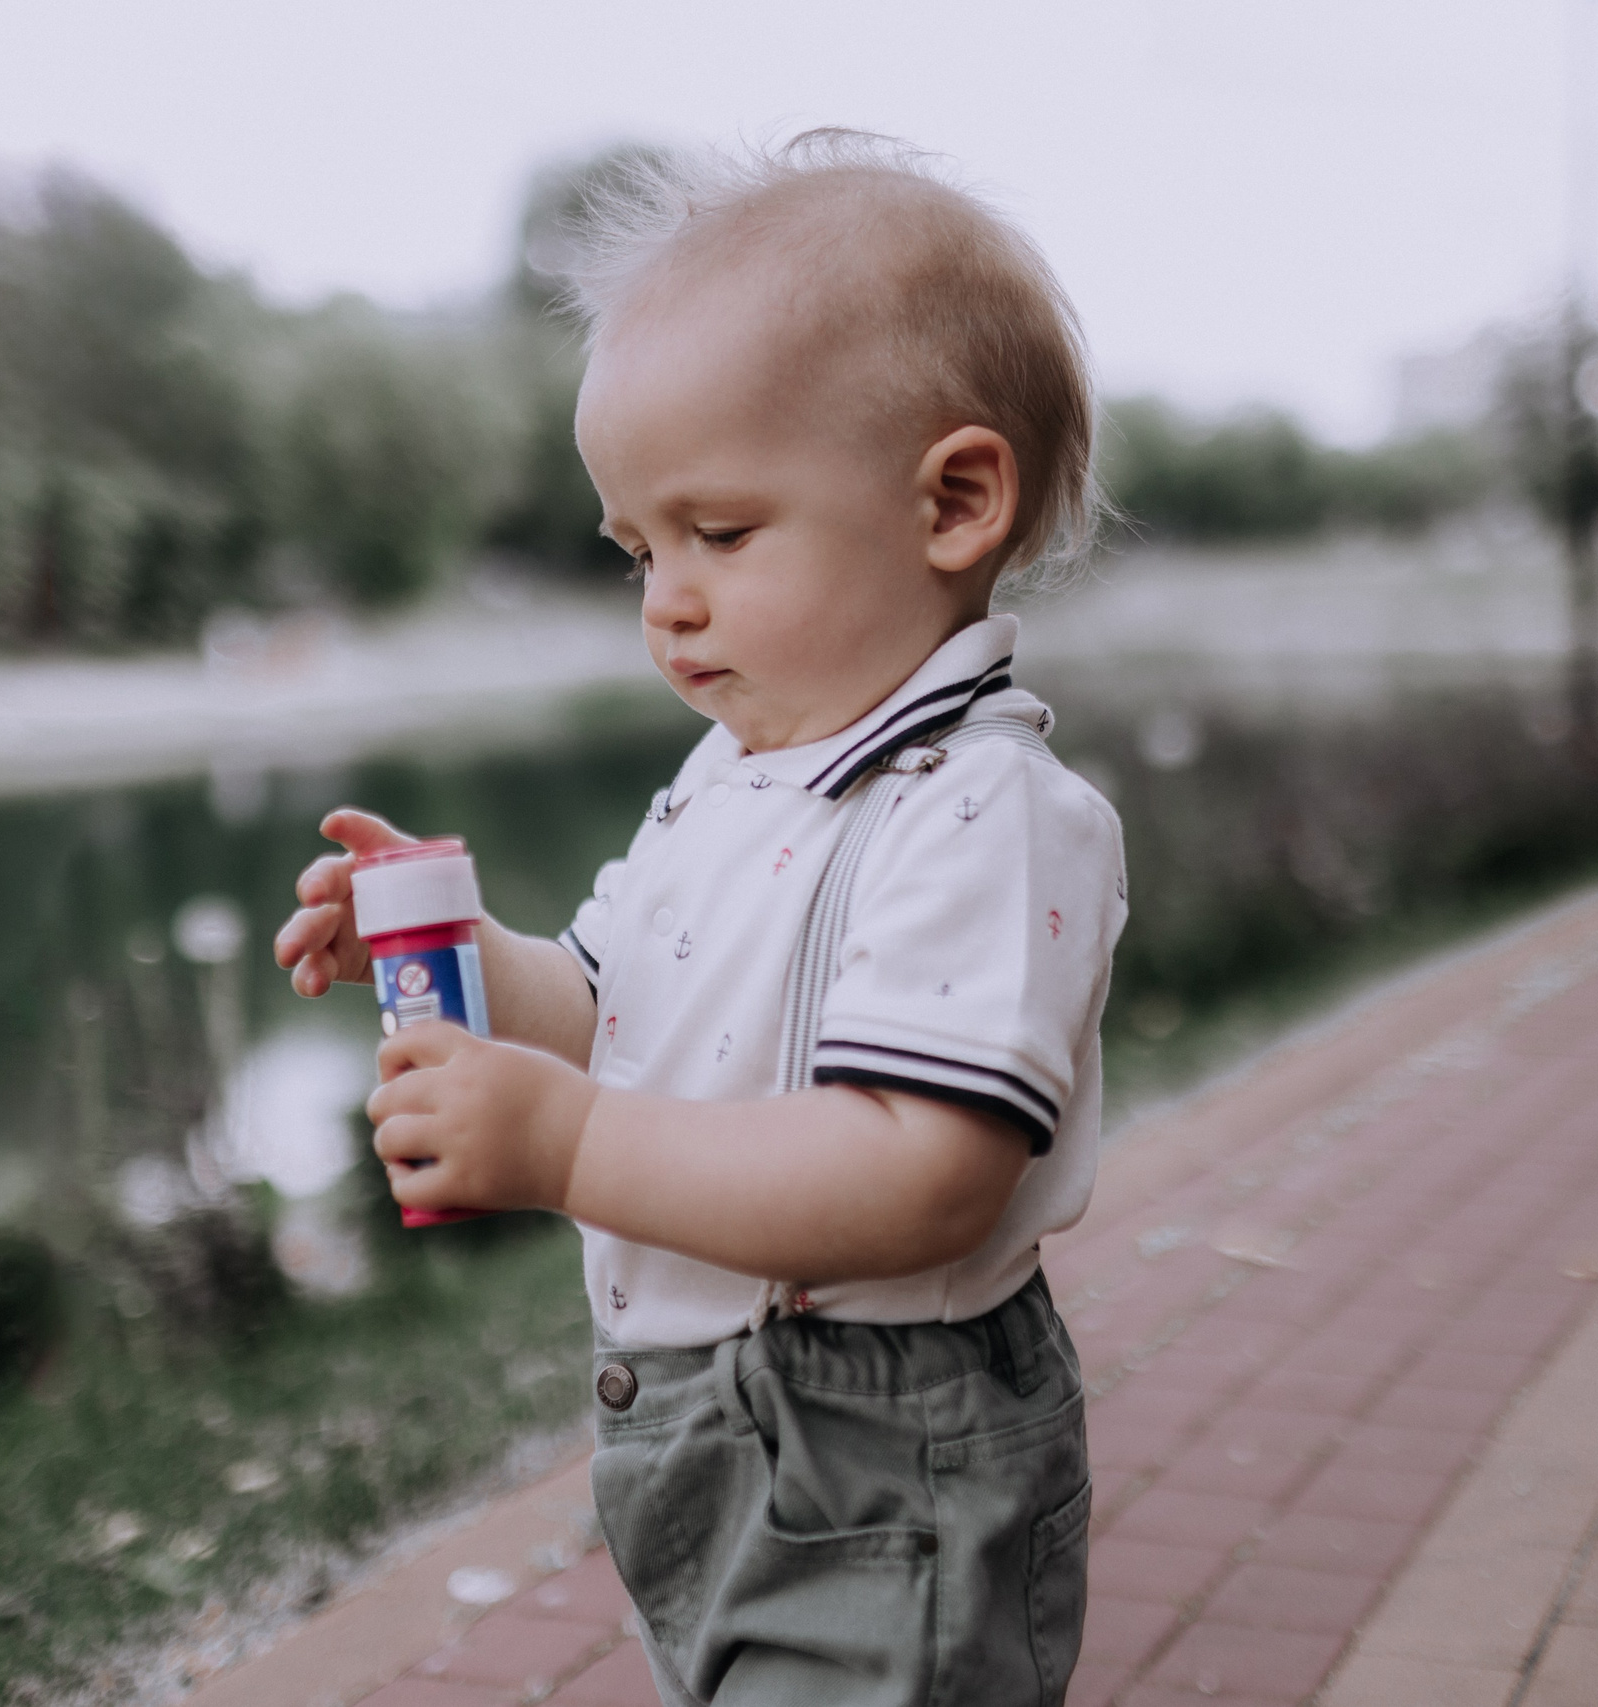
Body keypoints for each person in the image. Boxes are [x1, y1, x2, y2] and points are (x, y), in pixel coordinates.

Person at [273, 133, 1124, 1707]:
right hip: (710, 1429)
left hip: (881, 1445)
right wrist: (460, 951)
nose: (667, 598)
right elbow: (612, 1009)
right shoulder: (731, 776)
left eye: (720, 535)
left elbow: (923, 1173)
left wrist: (571, 1147)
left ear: (953, 501)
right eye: (638, 551)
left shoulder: (978, 810)